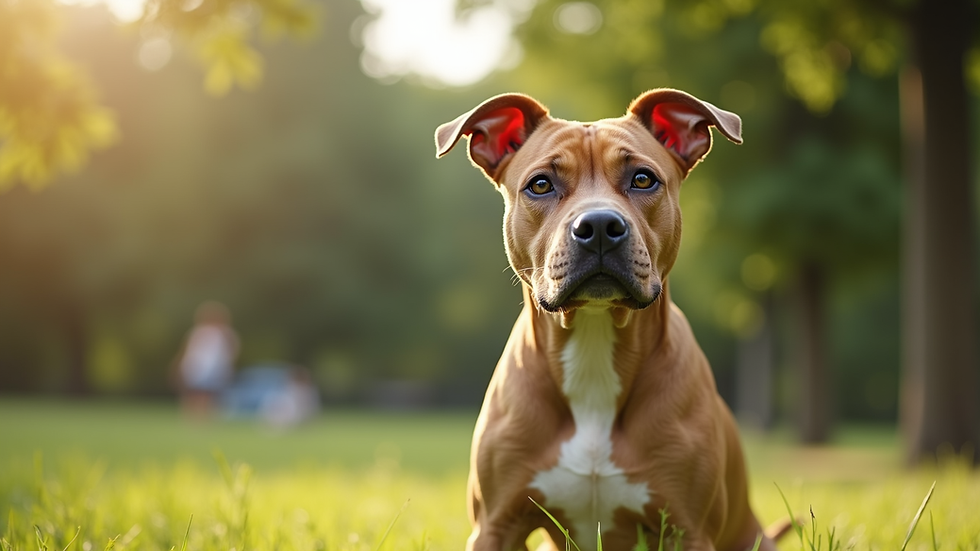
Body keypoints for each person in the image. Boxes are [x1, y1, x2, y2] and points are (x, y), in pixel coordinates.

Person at [175, 301, 239, 419]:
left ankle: (206, 419)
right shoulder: (198, 332)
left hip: (216, 370)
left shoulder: (226, 334)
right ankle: (192, 418)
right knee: (193, 393)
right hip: (196, 367)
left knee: (210, 394)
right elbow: (189, 351)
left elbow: (231, 352)